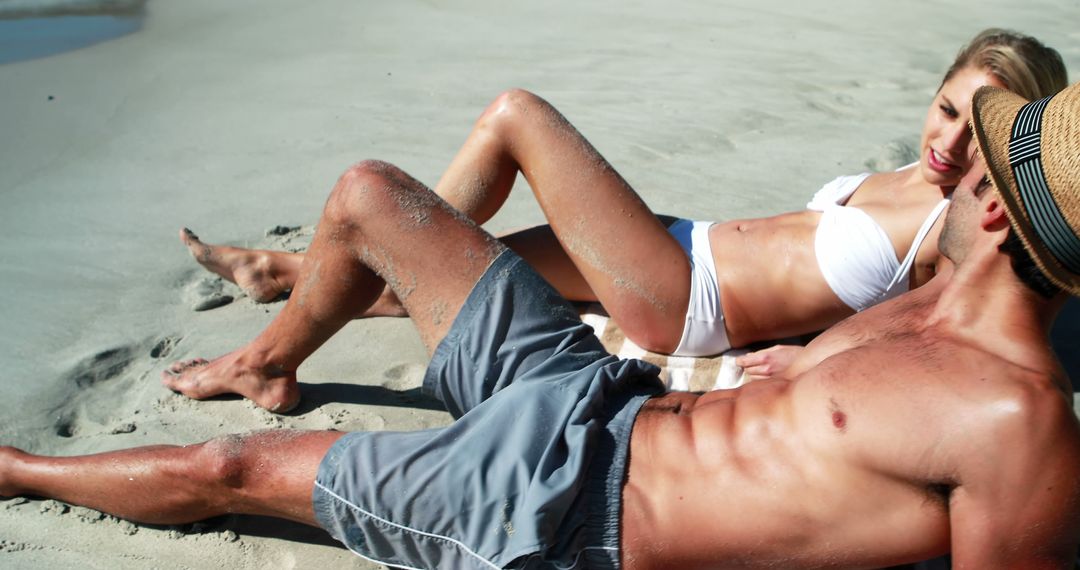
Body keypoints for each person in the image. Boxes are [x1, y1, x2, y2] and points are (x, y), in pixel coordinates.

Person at [5, 80, 1080, 568]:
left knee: (231, 468)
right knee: (374, 192)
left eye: (987, 146)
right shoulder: (923, 293)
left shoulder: (1014, 425)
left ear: (992, 201)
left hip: (565, 508)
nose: (956, 152)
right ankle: (268, 360)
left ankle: (14, 470)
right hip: (597, 395)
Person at [170, 29, 1067, 406]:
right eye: (948, 109)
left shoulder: (964, 232)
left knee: (515, 117)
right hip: (686, 244)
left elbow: (938, 332)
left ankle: (267, 365)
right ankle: (285, 275)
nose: (949, 138)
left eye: (978, 126)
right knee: (468, 261)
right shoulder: (920, 172)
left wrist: (818, 360)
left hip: (684, 299)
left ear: (1017, 146)